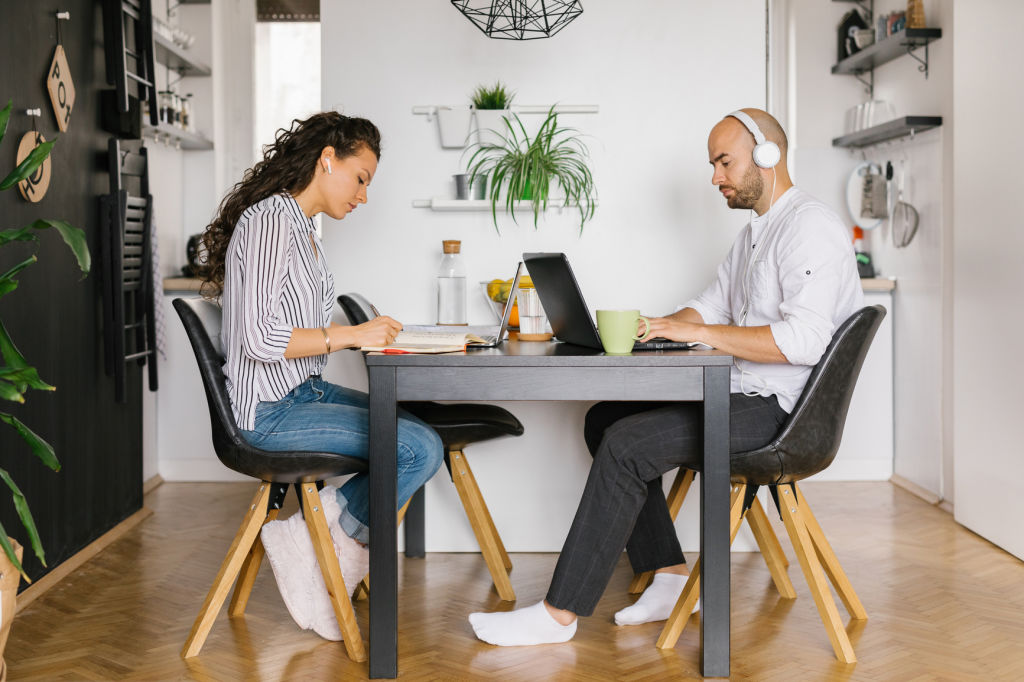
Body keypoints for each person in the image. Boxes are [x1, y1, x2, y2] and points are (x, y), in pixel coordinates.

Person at [469, 108, 863, 646]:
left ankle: (558, 615)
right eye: (713, 164)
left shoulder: (809, 227)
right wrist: (663, 326)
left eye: (724, 162)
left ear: (767, 155)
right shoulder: (756, 235)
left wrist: (704, 334)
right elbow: (710, 304)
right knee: (605, 420)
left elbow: (804, 341)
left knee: (629, 445)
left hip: (782, 413)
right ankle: (671, 579)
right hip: (743, 394)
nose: (715, 177)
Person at [200, 112, 445, 641]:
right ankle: (329, 544)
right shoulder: (268, 221)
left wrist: (368, 329)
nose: (362, 197)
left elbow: (290, 323)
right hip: (268, 412)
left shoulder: (301, 227)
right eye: (361, 178)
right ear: (327, 159)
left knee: (421, 438)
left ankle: (319, 540)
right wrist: (353, 336)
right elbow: (259, 337)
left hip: (301, 392)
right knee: (418, 449)